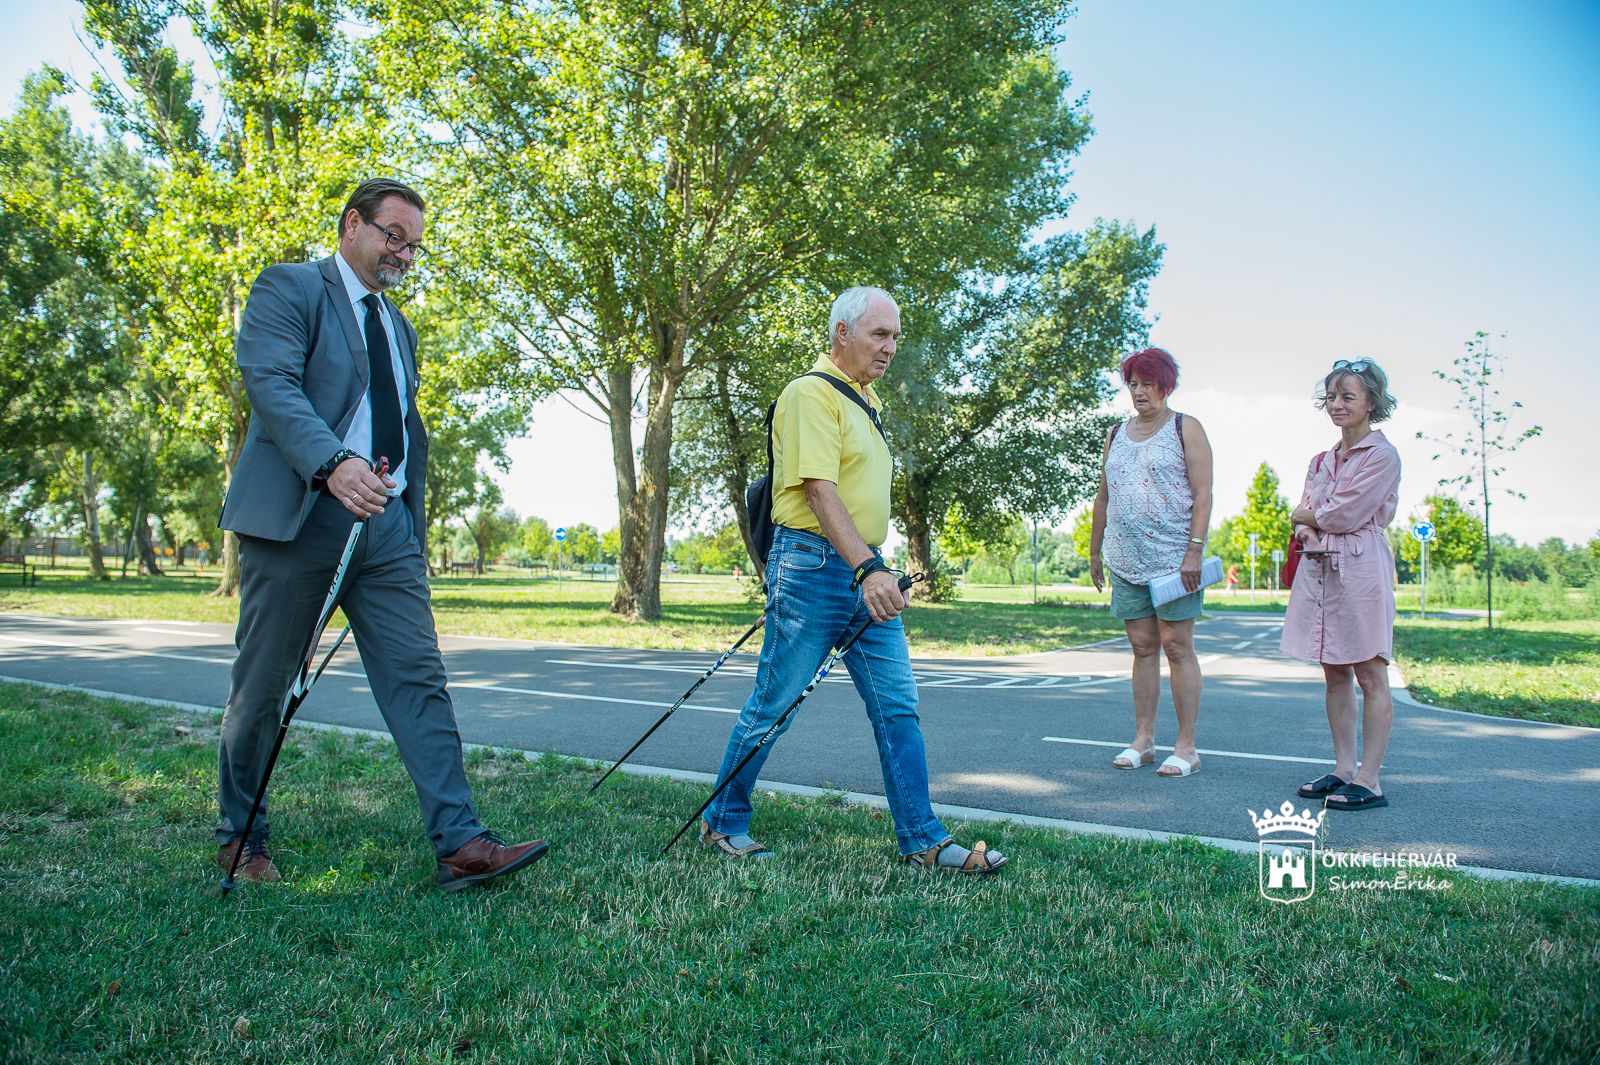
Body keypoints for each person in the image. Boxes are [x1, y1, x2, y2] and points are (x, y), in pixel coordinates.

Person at [215, 179, 549, 889]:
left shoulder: (399, 326)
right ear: (352, 225)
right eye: (393, 236)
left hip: (386, 528)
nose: (403, 253)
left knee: (419, 676)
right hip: (303, 516)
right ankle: (241, 836)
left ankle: (461, 842)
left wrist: (410, 526)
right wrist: (332, 463)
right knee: (266, 685)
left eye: (413, 246)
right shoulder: (290, 288)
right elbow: (271, 384)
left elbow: (403, 428)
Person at [700, 286, 1007, 873]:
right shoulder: (810, 393)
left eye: (895, 337)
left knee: (898, 707)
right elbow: (819, 491)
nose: (890, 347)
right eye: (879, 334)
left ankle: (923, 840)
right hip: (816, 567)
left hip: (868, 567)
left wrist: (874, 565)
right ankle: (723, 821)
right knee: (775, 705)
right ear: (843, 333)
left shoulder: (867, 402)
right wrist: (868, 568)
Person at [1281, 358, 1401, 811]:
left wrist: (1307, 516)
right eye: (1331, 396)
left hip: (1360, 566)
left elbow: (1343, 514)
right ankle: (1343, 769)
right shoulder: (1320, 459)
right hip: (1319, 567)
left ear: (1372, 403)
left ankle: (1370, 779)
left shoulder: (1382, 456)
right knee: (1334, 672)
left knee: (1370, 672)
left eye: (1348, 396)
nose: (1337, 404)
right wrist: (1305, 528)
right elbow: (1307, 514)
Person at [1089, 347, 1214, 778]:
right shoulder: (1115, 434)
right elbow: (1104, 496)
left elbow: (1203, 494)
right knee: (1142, 647)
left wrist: (1194, 549)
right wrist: (1095, 550)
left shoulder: (1185, 428)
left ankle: (1186, 747)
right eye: (1133, 384)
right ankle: (1143, 740)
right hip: (1126, 558)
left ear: (1166, 386)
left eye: (1148, 384)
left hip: (1174, 561)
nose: (1139, 392)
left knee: (1176, 646)